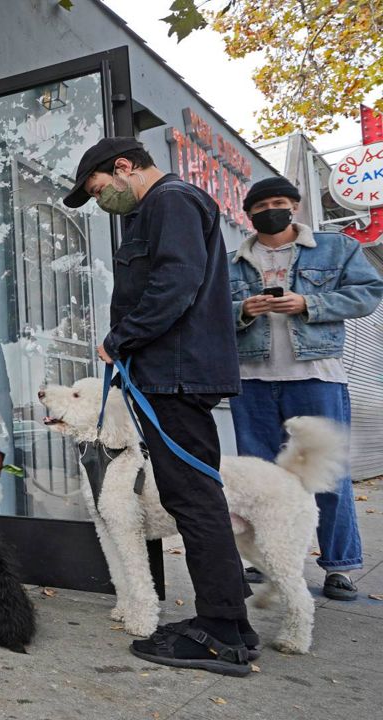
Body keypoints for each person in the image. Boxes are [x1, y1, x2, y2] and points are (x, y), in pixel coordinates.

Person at [63, 137, 254, 676]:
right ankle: (233, 622)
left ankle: (220, 632)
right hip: (171, 373)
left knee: (192, 497)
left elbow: (175, 282)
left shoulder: (170, 201)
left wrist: (121, 338)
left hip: (175, 374)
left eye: (99, 189)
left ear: (124, 167)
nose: (101, 200)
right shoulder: (166, 206)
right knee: (194, 494)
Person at [228, 177, 383, 601]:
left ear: (294, 206)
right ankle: (266, 559)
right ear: (249, 214)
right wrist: (243, 309)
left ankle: (339, 566)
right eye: (261, 207)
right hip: (251, 380)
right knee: (258, 480)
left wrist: (308, 303)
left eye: (279, 202)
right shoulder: (231, 261)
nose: (270, 211)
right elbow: (210, 311)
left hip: (317, 376)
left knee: (328, 474)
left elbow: (369, 293)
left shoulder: (336, 247)